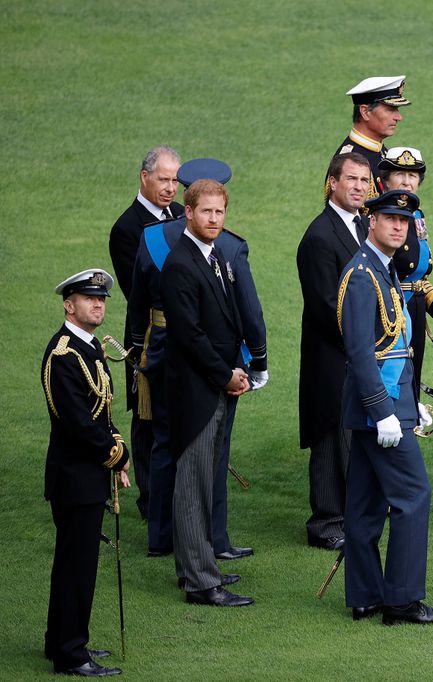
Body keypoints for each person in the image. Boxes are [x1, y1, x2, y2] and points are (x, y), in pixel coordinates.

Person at [128, 158, 261, 562]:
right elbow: (246, 310)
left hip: (158, 349)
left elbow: (137, 303)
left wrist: (138, 350)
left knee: (166, 444)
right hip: (206, 355)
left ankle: (161, 535)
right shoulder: (229, 244)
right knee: (210, 451)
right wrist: (253, 359)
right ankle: (212, 539)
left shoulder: (151, 238)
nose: (214, 216)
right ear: (193, 205)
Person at [338, 189, 433, 625]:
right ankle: (401, 602)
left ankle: (365, 595)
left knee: (365, 505)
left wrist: (410, 401)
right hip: (378, 408)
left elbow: (395, 347)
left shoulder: (379, 269)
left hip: (388, 402)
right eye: (389, 218)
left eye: (404, 220)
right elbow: (361, 353)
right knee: (413, 496)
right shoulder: (363, 274)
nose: (398, 227)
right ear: (371, 222)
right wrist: (384, 410)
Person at [161, 179, 253, 607]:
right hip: (196, 390)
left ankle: (195, 569)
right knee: (193, 484)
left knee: (201, 479)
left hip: (211, 383)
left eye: (220, 212)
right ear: (188, 212)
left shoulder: (211, 255)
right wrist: (226, 375)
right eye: (206, 212)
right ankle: (201, 582)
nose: (214, 219)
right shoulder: (182, 263)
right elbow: (190, 336)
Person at [41, 268, 130, 676]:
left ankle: (59, 641)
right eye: (88, 298)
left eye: (101, 299)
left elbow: (103, 408)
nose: (98, 304)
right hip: (76, 479)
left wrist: (115, 453)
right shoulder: (64, 354)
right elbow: (77, 423)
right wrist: (117, 453)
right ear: (68, 305)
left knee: (72, 564)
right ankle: (72, 654)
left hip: (85, 476)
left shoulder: (89, 346)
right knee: (77, 569)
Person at [297, 152, 371, 551]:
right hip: (332, 359)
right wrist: (367, 340)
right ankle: (327, 524)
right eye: (352, 179)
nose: (360, 187)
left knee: (350, 436)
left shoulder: (362, 225)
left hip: (353, 353)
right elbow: (326, 306)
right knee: (331, 436)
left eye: (365, 180)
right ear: (332, 183)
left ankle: (346, 517)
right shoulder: (319, 236)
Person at [108, 145, 182, 520]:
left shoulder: (185, 214)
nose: (171, 188)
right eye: (164, 179)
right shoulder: (126, 228)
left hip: (183, 333)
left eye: (175, 180)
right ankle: (152, 501)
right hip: (149, 337)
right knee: (148, 419)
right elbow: (136, 290)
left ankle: (178, 494)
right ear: (144, 177)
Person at [378, 147, 433, 403]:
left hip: (413, 308)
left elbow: (416, 276)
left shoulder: (416, 216)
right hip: (387, 311)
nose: (407, 181)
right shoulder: (378, 217)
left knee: (411, 380)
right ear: (385, 181)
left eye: (413, 175)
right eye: (400, 174)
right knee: (391, 379)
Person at [328, 75, 410, 200]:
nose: (399, 117)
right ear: (365, 112)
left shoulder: (381, 151)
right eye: (390, 109)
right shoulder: (348, 161)